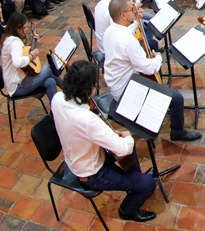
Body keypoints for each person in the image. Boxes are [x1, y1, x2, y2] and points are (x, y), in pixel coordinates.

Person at [51, 60, 157, 222]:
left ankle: (135, 184)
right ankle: (127, 209)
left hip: (78, 157)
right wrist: (128, 136)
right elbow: (122, 149)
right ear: (90, 89)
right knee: (148, 184)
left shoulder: (57, 99)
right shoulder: (87, 120)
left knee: (128, 152)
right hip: (92, 174)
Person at [103, 0, 201, 142]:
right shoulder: (127, 41)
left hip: (115, 84)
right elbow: (148, 68)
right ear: (123, 15)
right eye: (131, 10)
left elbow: (128, 33)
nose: (134, 11)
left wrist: (136, 20)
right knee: (177, 99)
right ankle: (177, 132)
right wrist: (159, 58)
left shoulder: (110, 30)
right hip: (126, 90)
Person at [0, 12, 63, 103]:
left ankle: (55, 110)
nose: (26, 30)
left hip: (19, 81)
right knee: (49, 69)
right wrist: (32, 56)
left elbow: (22, 52)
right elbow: (17, 62)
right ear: (16, 28)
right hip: (17, 86)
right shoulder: (15, 42)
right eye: (24, 27)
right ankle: (70, 92)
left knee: (50, 82)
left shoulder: (9, 37)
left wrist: (32, 44)